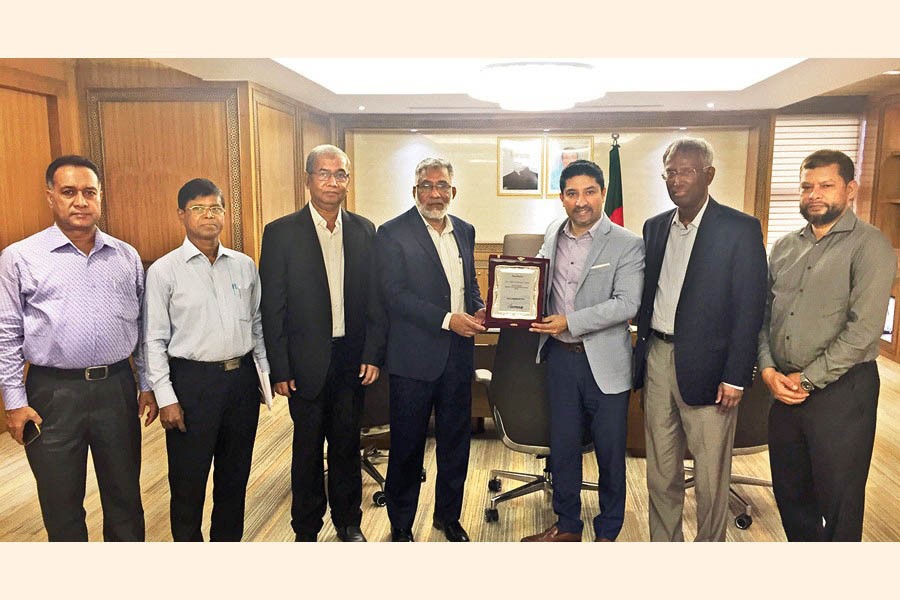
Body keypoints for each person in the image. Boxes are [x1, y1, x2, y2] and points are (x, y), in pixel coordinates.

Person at [0, 155, 157, 541]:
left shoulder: (126, 256)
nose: (80, 202)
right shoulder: (20, 258)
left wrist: (148, 384)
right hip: (52, 394)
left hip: (116, 389)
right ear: (51, 196)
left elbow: (143, 327)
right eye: (69, 192)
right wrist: (14, 401)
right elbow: (6, 335)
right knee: (61, 503)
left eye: (89, 192)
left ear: (101, 197)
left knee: (125, 498)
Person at [633, 137, 767, 542]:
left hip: (712, 371)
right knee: (660, 470)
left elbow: (750, 309)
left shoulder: (740, 229)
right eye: (670, 172)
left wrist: (737, 375)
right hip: (657, 356)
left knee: (710, 477)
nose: (676, 180)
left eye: (686, 171)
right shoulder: (655, 227)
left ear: (708, 174)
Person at [758, 149, 896, 542]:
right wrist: (768, 370)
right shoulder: (785, 247)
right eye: (806, 186)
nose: (813, 194)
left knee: (839, 499)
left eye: (825, 186)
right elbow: (764, 315)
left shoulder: (870, 246)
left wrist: (808, 380)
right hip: (782, 391)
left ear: (850, 189)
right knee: (790, 493)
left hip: (842, 392)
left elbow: (864, 330)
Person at [259, 144, 386, 542]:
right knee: (308, 450)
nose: (333, 182)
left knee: (348, 445)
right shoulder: (280, 233)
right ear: (308, 179)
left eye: (340, 174)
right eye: (324, 173)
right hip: (304, 365)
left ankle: (349, 523)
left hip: (352, 360)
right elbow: (272, 307)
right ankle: (306, 529)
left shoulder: (366, 230)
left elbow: (375, 302)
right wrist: (280, 368)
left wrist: (372, 353)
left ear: (348, 180)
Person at [522, 159, 644, 542]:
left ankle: (608, 531)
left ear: (603, 193)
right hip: (560, 359)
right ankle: (568, 525)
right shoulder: (551, 235)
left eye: (589, 191)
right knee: (563, 449)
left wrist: (570, 322)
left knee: (609, 452)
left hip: (605, 364)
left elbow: (627, 304)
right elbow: (536, 284)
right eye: (572, 193)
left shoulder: (627, 242)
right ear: (562, 198)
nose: (581, 201)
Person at [142, 178, 269, 541]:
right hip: (191, 384)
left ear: (225, 214)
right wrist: (165, 397)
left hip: (240, 383)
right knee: (188, 482)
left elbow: (256, 324)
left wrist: (262, 376)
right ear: (182, 214)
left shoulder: (244, 265)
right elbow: (153, 339)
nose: (208, 216)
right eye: (198, 209)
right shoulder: (164, 271)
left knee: (234, 478)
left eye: (215, 208)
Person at [376, 158, 485, 542]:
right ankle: (401, 523)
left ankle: (448, 517)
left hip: (458, 358)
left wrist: (480, 307)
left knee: (456, 443)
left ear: (452, 192)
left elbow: (468, 285)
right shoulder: (391, 233)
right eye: (426, 185)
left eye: (442, 185)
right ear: (414, 191)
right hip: (413, 359)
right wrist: (446, 319)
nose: (434, 193)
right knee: (407, 446)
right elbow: (394, 295)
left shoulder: (465, 231)